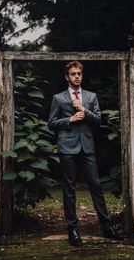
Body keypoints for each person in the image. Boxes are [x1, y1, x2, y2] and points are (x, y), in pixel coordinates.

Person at [48, 61, 121, 247]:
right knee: (69, 190)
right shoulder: (58, 98)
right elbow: (51, 123)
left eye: (79, 73)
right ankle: (72, 229)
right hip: (67, 148)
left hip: (87, 148)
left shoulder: (91, 96)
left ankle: (107, 226)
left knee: (96, 186)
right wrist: (70, 119)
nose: (77, 76)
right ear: (67, 77)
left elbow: (98, 120)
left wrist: (83, 110)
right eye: (73, 74)